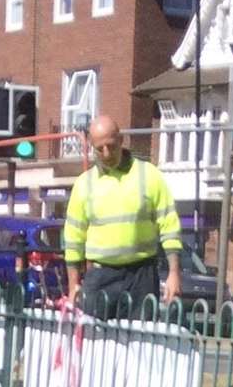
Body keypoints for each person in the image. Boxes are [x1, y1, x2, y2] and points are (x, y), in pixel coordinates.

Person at [63, 116, 183, 319]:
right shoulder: (84, 184)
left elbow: (169, 226)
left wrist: (174, 273)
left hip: (142, 276)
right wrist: (73, 284)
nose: (107, 153)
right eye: (100, 149)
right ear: (92, 148)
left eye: (111, 145)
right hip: (100, 276)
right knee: (96, 345)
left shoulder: (149, 175)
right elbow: (74, 238)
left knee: (141, 343)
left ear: (121, 140)